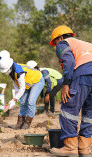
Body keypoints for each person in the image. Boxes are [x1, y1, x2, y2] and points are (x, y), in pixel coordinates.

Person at [49, 25, 92, 157]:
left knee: (69, 109)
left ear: (60, 38)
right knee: (89, 113)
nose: (56, 46)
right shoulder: (85, 44)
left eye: (55, 42)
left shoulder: (63, 43)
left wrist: (66, 84)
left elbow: (68, 61)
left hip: (83, 74)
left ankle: (70, 147)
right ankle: (84, 148)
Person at [0, 57, 45, 129]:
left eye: (6, 70)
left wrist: (14, 99)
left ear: (10, 67)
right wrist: (15, 99)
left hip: (37, 80)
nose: (6, 72)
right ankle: (20, 123)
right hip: (27, 82)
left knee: (31, 102)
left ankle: (27, 123)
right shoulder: (11, 71)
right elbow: (16, 85)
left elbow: (22, 88)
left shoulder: (19, 72)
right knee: (23, 102)